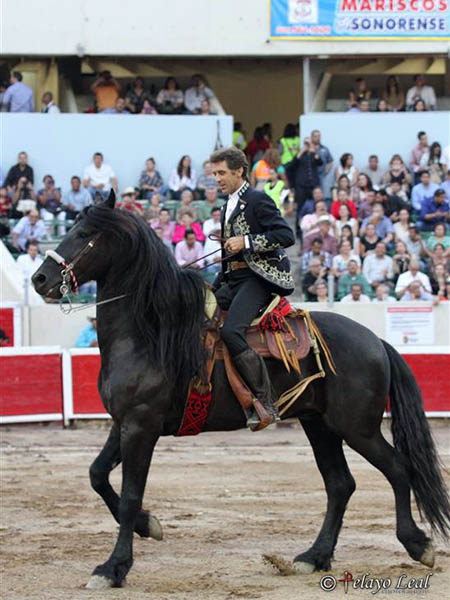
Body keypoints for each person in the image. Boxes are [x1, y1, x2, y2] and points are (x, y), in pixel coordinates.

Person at [210, 146, 295, 429]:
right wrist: (213, 287)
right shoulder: (226, 206)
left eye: (222, 173)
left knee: (231, 331)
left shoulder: (258, 199)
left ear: (239, 171)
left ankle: (265, 400)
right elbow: (228, 254)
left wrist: (246, 241)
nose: (217, 179)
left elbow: (286, 235)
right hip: (233, 279)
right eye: (215, 174)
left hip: (258, 279)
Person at [286, 137, 322, 235]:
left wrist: (314, 151)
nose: (308, 145)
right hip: (301, 186)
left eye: (309, 143)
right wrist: (302, 151)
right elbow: (292, 164)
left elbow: (320, 162)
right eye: (306, 143)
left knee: (315, 206)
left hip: (313, 185)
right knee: (300, 208)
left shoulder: (314, 154)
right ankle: (298, 231)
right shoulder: (300, 154)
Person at [310, 129, 333, 194]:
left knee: (320, 193)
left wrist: (326, 172)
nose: (318, 138)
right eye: (315, 136)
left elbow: (330, 161)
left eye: (319, 136)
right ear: (311, 137)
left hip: (320, 175)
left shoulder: (325, 149)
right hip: (309, 176)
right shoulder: (307, 149)